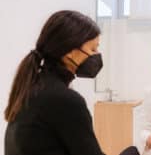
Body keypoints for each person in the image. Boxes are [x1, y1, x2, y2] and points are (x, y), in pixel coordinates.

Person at [4, 10, 105, 155]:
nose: (96, 55)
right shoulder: (65, 100)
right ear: (70, 51)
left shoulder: (31, 90)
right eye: (93, 49)